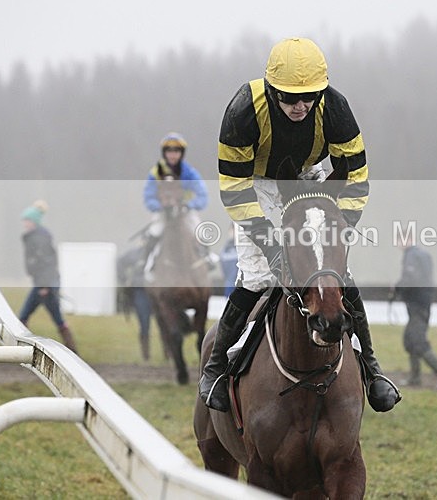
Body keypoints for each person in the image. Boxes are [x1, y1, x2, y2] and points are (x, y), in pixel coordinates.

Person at [199, 37, 400, 413]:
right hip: (258, 185)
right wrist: (270, 244)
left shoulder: (336, 108)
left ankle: (372, 369)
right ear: (272, 90)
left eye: (308, 97)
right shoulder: (243, 110)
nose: (300, 106)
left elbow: (356, 177)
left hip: (310, 177)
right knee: (258, 276)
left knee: (338, 273)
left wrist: (340, 229)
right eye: (290, 98)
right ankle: (215, 367)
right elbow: (234, 189)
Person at [391, 232, 437, 390]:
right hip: (423, 304)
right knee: (410, 339)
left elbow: (410, 278)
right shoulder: (423, 254)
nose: (398, 244)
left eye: (399, 240)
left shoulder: (411, 255)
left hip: (418, 305)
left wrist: (397, 290)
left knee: (417, 341)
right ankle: (415, 377)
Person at [17, 200, 78, 353]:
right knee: (52, 319)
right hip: (42, 284)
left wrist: (45, 286)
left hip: (45, 285)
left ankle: (20, 350)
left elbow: (46, 262)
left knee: (25, 317)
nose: (24, 223)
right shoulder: (36, 236)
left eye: (27, 220)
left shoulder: (39, 237)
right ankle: (73, 350)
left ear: (34, 221)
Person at [142, 132, 209, 270]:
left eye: (176, 151)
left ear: (181, 153)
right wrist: (159, 206)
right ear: (164, 153)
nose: (172, 155)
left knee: (199, 229)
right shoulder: (155, 173)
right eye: (169, 151)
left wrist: (189, 205)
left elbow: (203, 195)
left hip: (185, 211)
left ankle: (207, 258)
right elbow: (148, 196)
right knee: (155, 231)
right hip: (163, 212)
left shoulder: (189, 173)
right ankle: (147, 263)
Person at [116, 242, 154, 361]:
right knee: (144, 322)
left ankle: (169, 351)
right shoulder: (136, 253)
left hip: (158, 291)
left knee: (165, 322)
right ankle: (146, 354)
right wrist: (124, 279)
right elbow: (120, 262)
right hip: (141, 291)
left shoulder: (159, 251)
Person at [219, 223, 239, 296]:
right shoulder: (225, 248)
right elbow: (222, 263)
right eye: (232, 230)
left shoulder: (243, 247)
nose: (234, 233)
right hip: (229, 284)